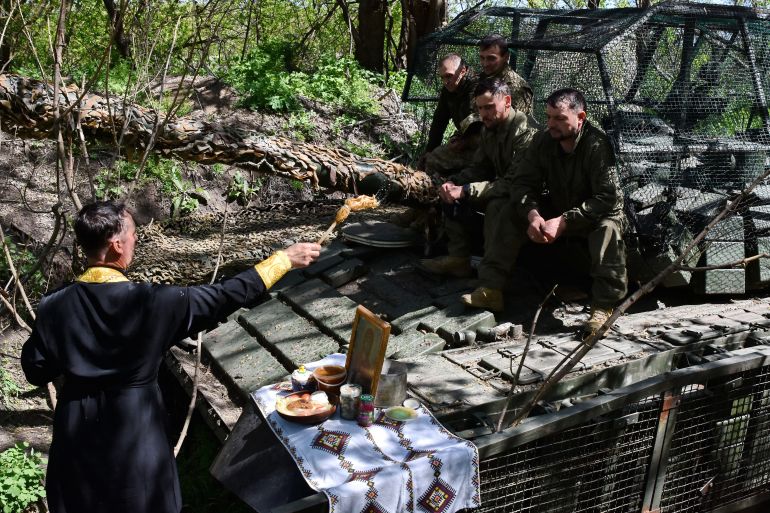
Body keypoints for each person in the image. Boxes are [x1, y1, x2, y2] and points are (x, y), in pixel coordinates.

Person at [21, 201, 321, 513]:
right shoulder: (153, 303)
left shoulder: (55, 305)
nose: (136, 240)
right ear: (116, 245)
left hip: (77, 433)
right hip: (137, 433)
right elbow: (223, 296)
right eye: (134, 234)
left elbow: (35, 369)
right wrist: (283, 260)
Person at [513, 88, 627, 336]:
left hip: (596, 213)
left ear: (580, 117)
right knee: (509, 208)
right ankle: (509, 285)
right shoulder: (544, 140)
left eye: (560, 119)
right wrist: (533, 215)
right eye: (549, 117)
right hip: (560, 207)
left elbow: (608, 198)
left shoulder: (596, 145)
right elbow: (523, 184)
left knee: (607, 228)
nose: (551, 124)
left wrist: (564, 221)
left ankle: (603, 306)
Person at [418, 78, 537, 312]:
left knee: (497, 206)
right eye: (481, 108)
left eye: (490, 107)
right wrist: (455, 183)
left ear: (507, 102)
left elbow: (514, 184)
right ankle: (459, 258)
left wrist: (466, 190)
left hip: (531, 199)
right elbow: (479, 168)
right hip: (505, 187)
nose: (485, 113)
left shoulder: (525, 133)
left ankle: (492, 288)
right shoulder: (489, 129)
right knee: (451, 191)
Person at [421, 53, 481, 177]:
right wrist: (430, 149)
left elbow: (476, 119)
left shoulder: (478, 85)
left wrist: (463, 139)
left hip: (484, 141)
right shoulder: (449, 89)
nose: (446, 82)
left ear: (462, 70)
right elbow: (439, 120)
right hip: (464, 139)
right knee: (431, 159)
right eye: (442, 78)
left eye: (449, 76)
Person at [478, 34, 533, 117]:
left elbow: (516, 124)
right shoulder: (481, 79)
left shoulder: (518, 88)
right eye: (482, 58)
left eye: (491, 58)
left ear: (506, 57)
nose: (485, 64)